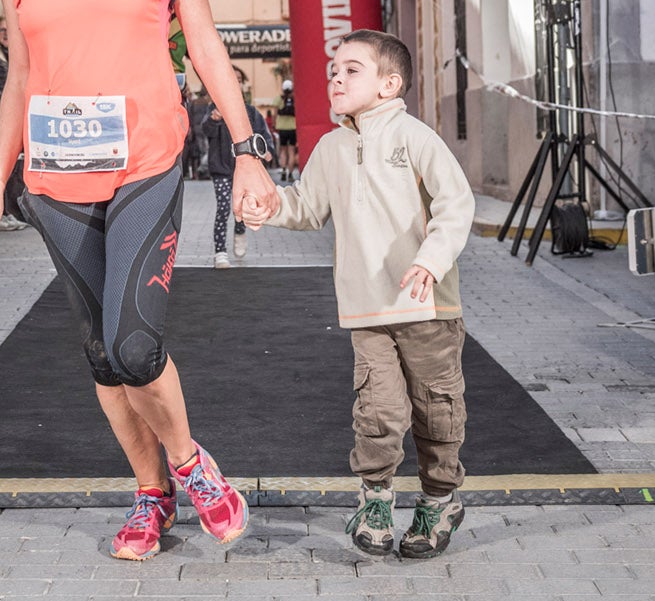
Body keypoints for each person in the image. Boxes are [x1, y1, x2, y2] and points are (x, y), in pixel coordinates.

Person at [0, 0, 275, 562]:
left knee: (135, 345)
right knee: (101, 353)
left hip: (144, 161)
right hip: (56, 178)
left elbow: (203, 43)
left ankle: (191, 464)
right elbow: (20, 80)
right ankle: (149, 495)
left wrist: (247, 148)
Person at [241, 31, 475, 559]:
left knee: (436, 411)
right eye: (334, 69)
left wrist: (430, 260)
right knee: (378, 412)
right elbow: (306, 205)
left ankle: (439, 500)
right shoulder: (330, 147)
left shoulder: (416, 138)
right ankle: (375, 499)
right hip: (366, 310)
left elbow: (456, 205)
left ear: (389, 85)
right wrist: (269, 206)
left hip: (428, 307)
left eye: (352, 70)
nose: (336, 78)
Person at [203, 82, 273, 268]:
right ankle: (220, 252)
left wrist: (268, 150)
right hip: (221, 168)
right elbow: (204, 131)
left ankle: (240, 231)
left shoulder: (250, 112)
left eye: (238, 82)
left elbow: (263, 134)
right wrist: (214, 120)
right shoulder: (214, 109)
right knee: (224, 208)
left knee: (242, 207)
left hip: (244, 168)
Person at [275, 78, 300, 183]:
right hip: (293, 128)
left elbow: (275, 113)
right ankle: (290, 173)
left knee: (283, 151)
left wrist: (274, 125)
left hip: (282, 128)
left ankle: (284, 170)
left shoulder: (279, 99)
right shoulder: (295, 99)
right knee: (291, 151)